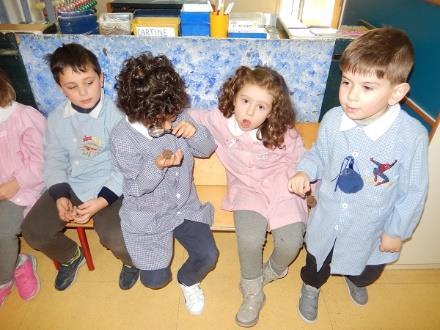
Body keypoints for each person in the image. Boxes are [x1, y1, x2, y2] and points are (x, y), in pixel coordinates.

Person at [288, 27, 429, 323]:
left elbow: (414, 190)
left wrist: (396, 231)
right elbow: (318, 156)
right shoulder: (332, 119)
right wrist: (305, 170)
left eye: (367, 87)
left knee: (367, 270)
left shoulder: (411, 135)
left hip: (372, 226)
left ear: (396, 93)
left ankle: (355, 278)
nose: (350, 96)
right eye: (347, 82)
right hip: (328, 217)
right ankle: (311, 288)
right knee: (317, 263)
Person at [190, 66, 308, 327]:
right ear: (234, 96)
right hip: (246, 189)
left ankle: (273, 271)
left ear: (272, 111)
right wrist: (162, 118)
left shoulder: (282, 130)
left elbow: (299, 157)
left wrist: (300, 175)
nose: (250, 112)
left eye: (261, 107)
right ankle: (252, 289)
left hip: (282, 186)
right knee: (250, 239)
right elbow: (187, 116)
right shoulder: (218, 119)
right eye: (245, 101)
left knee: (291, 243)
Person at [21, 43, 140, 292]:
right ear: (60, 88)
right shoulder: (55, 120)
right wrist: (60, 196)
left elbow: (125, 167)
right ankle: (71, 256)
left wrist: (101, 201)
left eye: (89, 82)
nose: (84, 92)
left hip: (112, 188)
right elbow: (53, 161)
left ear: (101, 78)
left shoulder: (118, 115)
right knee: (33, 231)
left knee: (116, 238)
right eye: (72, 87)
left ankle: (132, 263)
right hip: (73, 184)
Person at [110, 53, 218, 316]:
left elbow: (207, 149)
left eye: (172, 115)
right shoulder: (122, 138)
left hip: (183, 206)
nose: (170, 125)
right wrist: (157, 166)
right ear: (138, 113)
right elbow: (135, 188)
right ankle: (140, 260)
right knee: (155, 281)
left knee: (208, 255)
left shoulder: (176, 114)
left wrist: (196, 132)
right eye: (161, 121)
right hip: (148, 214)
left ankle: (189, 281)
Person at [0, 70, 44, 306]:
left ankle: (5, 277)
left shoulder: (25, 117)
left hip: (24, 190)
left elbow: (42, 162)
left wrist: (13, 185)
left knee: (1, 229)